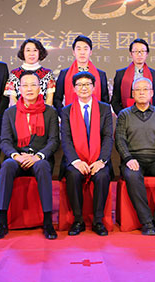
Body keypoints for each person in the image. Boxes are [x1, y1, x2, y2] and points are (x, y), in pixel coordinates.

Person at [0, 72, 60, 240]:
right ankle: (2, 221)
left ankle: (48, 222)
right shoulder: (10, 112)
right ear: (19, 89)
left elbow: (53, 141)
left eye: (33, 85)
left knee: (43, 166)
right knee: (7, 165)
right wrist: (16, 156)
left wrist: (38, 156)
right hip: (18, 158)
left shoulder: (50, 112)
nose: (29, 89)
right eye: (25, 85)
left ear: (40, 88)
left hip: (39, 158)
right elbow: (5, 141)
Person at [115, 77, 155, 236]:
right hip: (134, 159)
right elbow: (120, 139)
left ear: (152, 93)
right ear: (132, 94)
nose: (142, 93)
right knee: (132, 175)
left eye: (145, 89)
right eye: (138, 90)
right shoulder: (124, 115)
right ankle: (147, 222)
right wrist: (128, 159)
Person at [60, 72, 114, 236]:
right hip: (75, 158)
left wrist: (101, 160)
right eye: (80, 85)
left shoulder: (104, 109)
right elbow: (66, 139)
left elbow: (108, 137)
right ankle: (78, 221)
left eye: (87, 84)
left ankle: (98, 221)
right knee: (73, 174)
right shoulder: (66, 111)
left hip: (98, 158)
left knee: (102, 176)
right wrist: (76, 161)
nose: (84, 88)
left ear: (94, 87)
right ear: (74, 89)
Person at [54, 35, 109, 116]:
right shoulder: (64, 74)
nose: (82, 52)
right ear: (74, 52)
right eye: (79, 49)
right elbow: (57, 99)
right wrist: (64, 115)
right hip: (71, 117)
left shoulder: (101, 75)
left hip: (96, 117)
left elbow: (105, 100)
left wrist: (101, 117)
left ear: (90, 52)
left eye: (85, 49)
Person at [111, 38, 155, 115]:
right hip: (127, 115)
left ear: (147, 54)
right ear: (131, 54)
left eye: (142, 51)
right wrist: (123, 116)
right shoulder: (120, 74)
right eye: (136, 51)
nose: (139, 54)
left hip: (151, 116)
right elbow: (115, 101)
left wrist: (154, 116)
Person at [3, 38, 56, 106]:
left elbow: (49, 100)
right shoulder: (14, 74)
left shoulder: (47, 73)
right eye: (28, 50)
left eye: (35, 50)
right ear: (23, 52)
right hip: (20, 111)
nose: (31, 54)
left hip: (43, 111)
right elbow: (12, 99)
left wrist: (46, 112)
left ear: (40, 52)